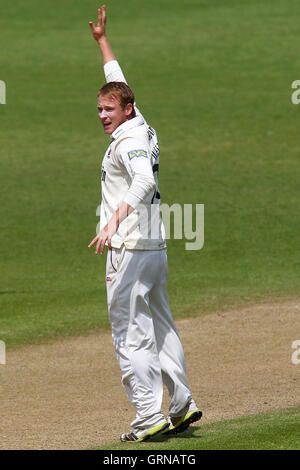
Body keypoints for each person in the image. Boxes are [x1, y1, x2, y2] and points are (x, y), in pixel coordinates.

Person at [88, 5, 202, 442]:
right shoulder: (140, 121)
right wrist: (102, 42)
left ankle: (148, 416)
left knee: (129, 334)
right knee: (161, 326)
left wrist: (113, 221)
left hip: (130, 248)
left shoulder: (130, 141)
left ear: (126, 109)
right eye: (99, 109)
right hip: (154, 246)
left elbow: (142, 180)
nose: (102, 115)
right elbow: (119, 77)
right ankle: (182, 403)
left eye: (109, 109)